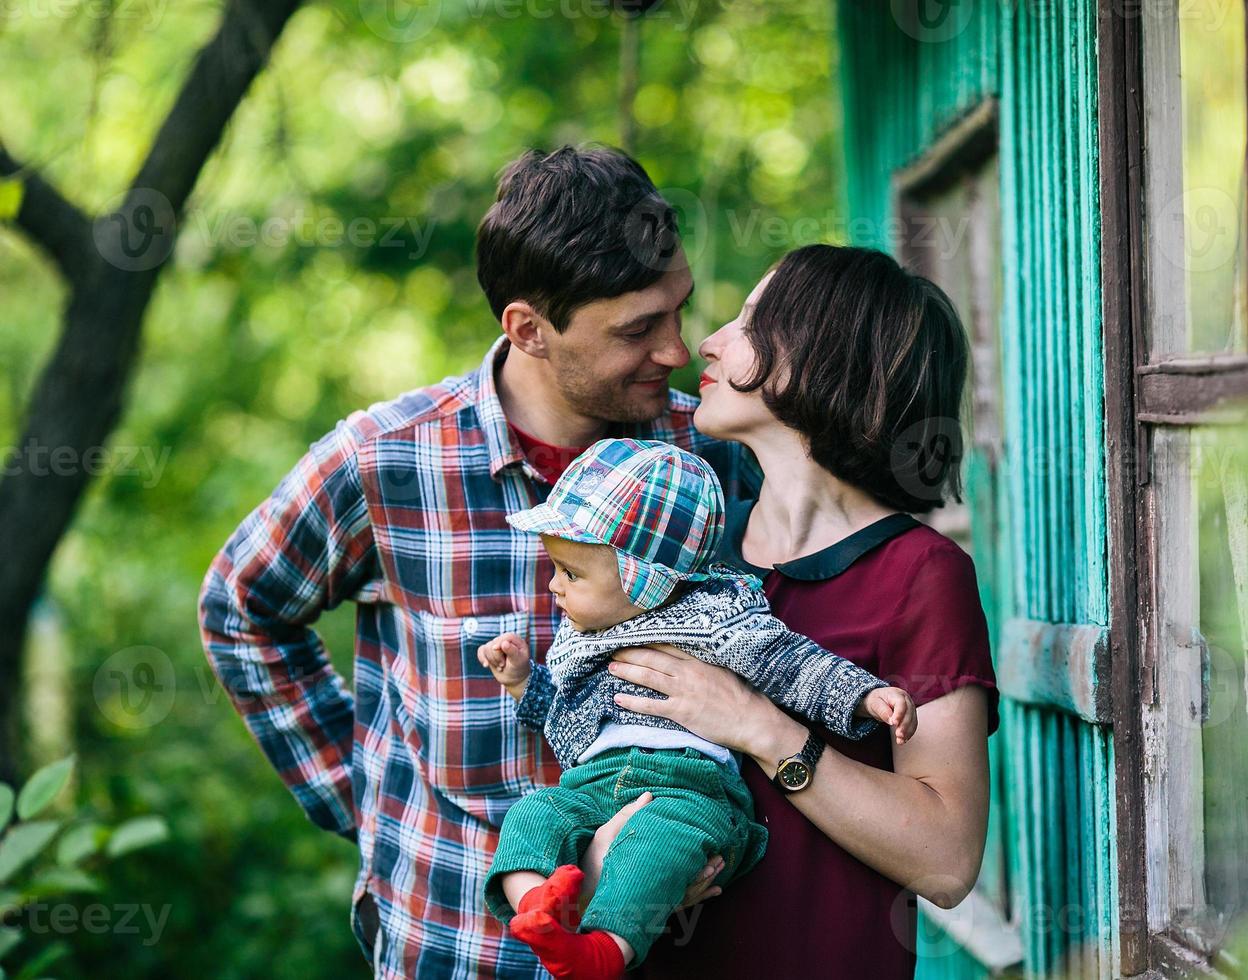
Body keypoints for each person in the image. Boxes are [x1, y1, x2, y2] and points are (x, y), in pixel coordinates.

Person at [198, 146, 756, 979]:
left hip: (679, 949)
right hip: (457, 942)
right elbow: (242, 608)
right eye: (638, 329)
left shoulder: (713, 452)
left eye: (678, 308)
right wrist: (361, 800)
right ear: (528, 329)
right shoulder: (385, 459)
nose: (677, 351)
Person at [623, 244, 1001, 978]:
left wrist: (758, 726)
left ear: (823, 358)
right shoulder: (685, 551)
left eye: (752, 321)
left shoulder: (922, 576)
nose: (709, 340)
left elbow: (948, 861)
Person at [475, 437, 916, 979]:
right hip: (592, 784)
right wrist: (524, 682)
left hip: (691, 788)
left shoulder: (715, 620)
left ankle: (604, 951)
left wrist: (865, 696)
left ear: (643, 579)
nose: (554, 586)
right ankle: (538, 907)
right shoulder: (585, 635)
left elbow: (792, 665)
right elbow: (566, 715)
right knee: (531, 814)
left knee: (656, 847)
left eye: (571, 573)